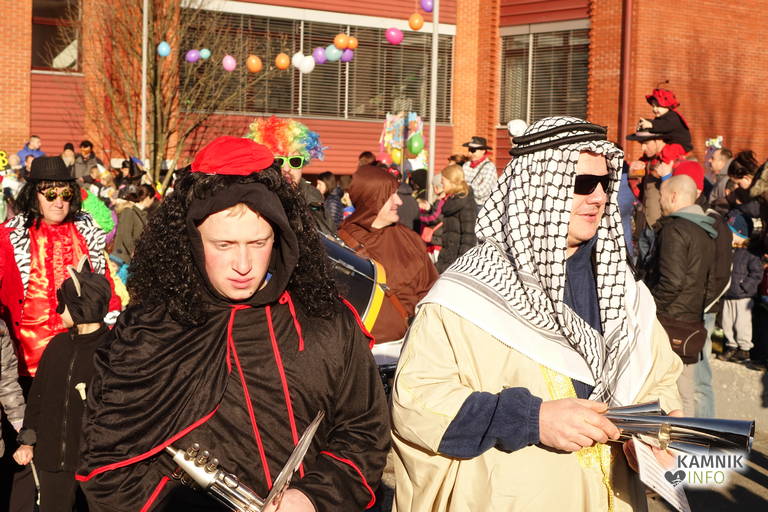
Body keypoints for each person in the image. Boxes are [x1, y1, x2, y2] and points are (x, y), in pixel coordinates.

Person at [77, 136, 389, 511]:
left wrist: (311, 497)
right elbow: (107, 466)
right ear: (191, 240)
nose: (243, 265)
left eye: (258, 243)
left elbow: (363, 431)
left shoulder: (326, 321)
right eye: (223, 245)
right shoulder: (146, 332)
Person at [391, 117, 683, 511]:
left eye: (604, 182)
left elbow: (659, 378)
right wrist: (532, 419)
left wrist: (651, 434)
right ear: (537, 189)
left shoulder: (622, 289)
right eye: (583, 183)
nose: (598, 196)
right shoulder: (466, 295)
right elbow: (416, 403)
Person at [0, 156, 121, 379]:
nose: (59, 202)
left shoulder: (87, 234)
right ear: (34, 195)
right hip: (27, 361)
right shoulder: (9, 237)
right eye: (50, 194)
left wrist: (113, 330)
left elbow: (106, 287)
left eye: (65, 194)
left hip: (79, 356)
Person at [13, 256, 112, 512]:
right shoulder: (57, 346)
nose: (59, 310)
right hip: (52, 461)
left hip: (94, 465)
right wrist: (28, 440)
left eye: (64, 304)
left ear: (81, 307)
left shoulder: (111, 350)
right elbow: (37, 397)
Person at [645, 174, 718, 415]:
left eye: (662, 196)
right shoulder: (706, 230)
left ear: (674, 196)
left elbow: (671, 281)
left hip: (669, 321)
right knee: (685, 389)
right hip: (692, 319)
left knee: (668, 390)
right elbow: (711, 281)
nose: (660, 201)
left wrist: (647, 308)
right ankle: (688, 435)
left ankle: (679, 437)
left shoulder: (674, 229)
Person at [339, 165, 438, 343]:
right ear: (372, 198)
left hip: (411, 345)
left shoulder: (410, 239)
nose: (399, 201)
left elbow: (432, 290)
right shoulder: (341, 245)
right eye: (390, 195)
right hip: (362, 349)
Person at [247, 116, 336, 235]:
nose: (287, 169)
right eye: (278, 161)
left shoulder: (315, 201)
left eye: (295, 161)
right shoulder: (249, 203)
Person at [718, 213, 763, 364]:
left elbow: (757, 273)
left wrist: (745, 286)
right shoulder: (729, 250)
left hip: (743, 296)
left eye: (732, 233)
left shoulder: (751, 253)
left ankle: (744, 348)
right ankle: (731, 345)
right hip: (728, 293)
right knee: (727, 322)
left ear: (741, 234)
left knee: (742, 323)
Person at [424, 164, 476, 272]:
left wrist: (462, 263)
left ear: (452, 181)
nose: (441, 184)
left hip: (457, 260)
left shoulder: (465, 203)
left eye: (443, 181)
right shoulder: (451, 201)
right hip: (447, 254)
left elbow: (468, 237)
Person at [636, 88, 693, 164]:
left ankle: (666, 164)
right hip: (671, 142)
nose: (654, 109)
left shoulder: (672, 117)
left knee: (667, 153)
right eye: (653, 106)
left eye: (657, 106)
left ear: (667, 106)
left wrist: (651, 124)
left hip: (681, 144)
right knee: (664, 151)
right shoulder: (662, 118)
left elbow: (664, 126)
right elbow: (659, 124)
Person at [461, 136, 497, 209]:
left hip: (481, 206)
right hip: (466, 204)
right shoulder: (466, 165)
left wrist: (464, 187)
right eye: (469, 150)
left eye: (473, 150)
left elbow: (482, 192)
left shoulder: (489, 167)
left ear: (483, 151)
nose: (470, 153)